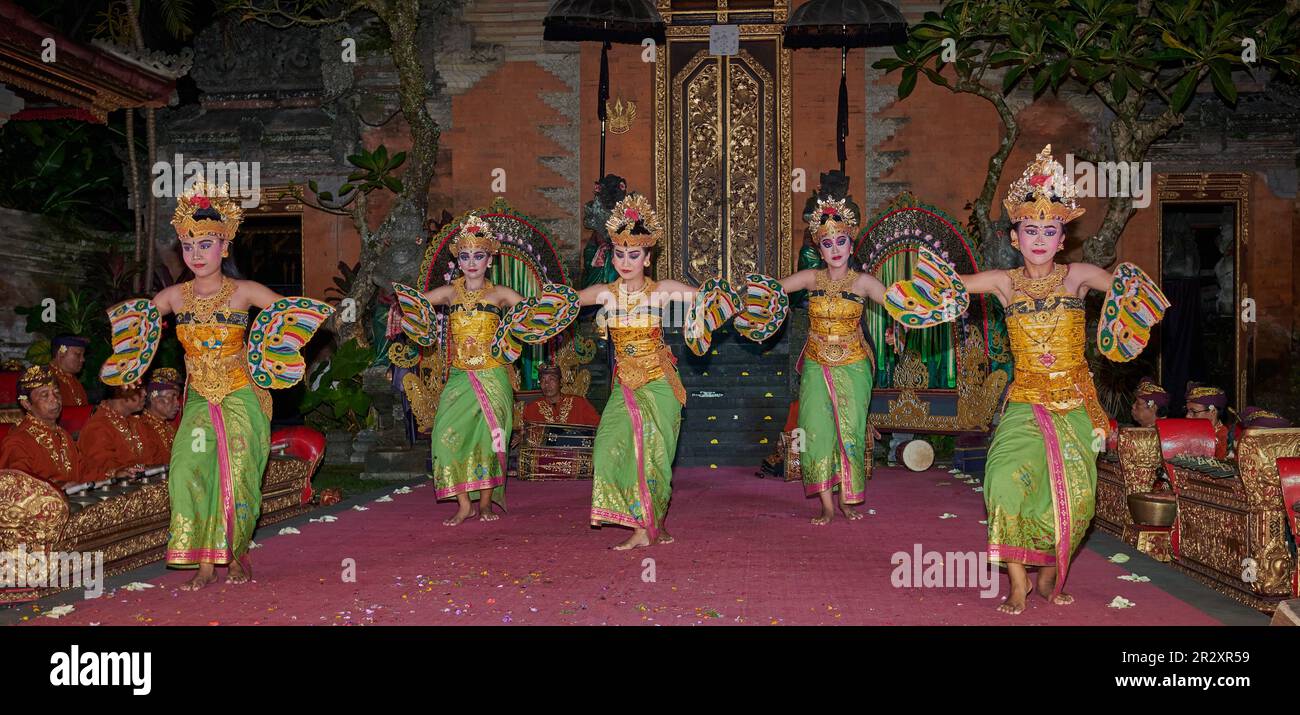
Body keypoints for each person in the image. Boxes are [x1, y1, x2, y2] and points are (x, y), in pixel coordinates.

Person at [957, 145, 1169, 614]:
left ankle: (1049, 576)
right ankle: (1017, 584)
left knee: (1075, 497)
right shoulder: (1003, 282)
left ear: (1061, 237)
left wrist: (1130, 308)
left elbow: (1134, 293)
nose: (1039, 238)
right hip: (1025, 400)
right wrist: (906, 296)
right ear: (1015, 236)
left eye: (1049, 230)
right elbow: (949, 288)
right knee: (1003, 481)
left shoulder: (1077, 277)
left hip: (1074, 401)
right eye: (1029, 230)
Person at [100, 180, 331, 591]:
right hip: (200, 397)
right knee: (188, 470)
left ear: (224, 247)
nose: (196, 254)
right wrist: (133, 367)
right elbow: (139, 335)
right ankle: (203, 560)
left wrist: (268, 354)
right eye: (189, 246)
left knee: (239, 475)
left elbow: (292, 319)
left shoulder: (244, 292)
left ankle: (234, 552)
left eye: (205, 244)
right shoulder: (172, 297)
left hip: (243, 394)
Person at [775, 196, 963, 524]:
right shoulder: (809, 279)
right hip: (817, 363)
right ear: (820, 250)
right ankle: (826, 504)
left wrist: (918, 312)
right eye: (828, 243)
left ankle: (848, 498)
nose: (835, 249)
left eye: (842, 241)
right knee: (816, 430)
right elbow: (773, 290)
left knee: (850, 431)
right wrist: (740, 298)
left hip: (854, 365)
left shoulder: (863, 282)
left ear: (851, 245)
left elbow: (897, 303)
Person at [395, 214, 528, 526]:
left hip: (494, 375)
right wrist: (406, 317)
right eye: (466, 256)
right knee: (444, 435)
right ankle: (463, 504)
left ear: (489, 260)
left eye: (479, 256)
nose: (472, 263)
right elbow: (413, 305)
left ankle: (484, 505)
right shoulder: (449, 293)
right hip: (460, 376)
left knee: (489, 440)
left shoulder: (501, 294)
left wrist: (527, 323)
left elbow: (532, 315)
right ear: (458, 259)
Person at [0, 365, 90, 484]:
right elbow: (19, 486)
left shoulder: (64, 436)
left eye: (56, 392)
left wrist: (112, 474)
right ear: (26, 403)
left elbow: (84, 473)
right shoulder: (17, 441)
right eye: (45, 395)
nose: (55, 399)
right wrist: (57, 488)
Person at [76, 385, 147, 482]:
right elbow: (105, 471)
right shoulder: (97, 427)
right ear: (120, 392)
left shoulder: (136, 421)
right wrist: (117, 473)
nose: (145, 393)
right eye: (139, 388)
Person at [522, 362, 599, 427]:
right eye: (542, 380)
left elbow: (599, 426)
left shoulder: (579, 403)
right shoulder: (532, 408)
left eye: (551, 379)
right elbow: (524, 432)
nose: (546, 384)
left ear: (561, 382)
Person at [134, 368, 182, 466]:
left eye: (177, 398)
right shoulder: (139, 426)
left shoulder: (172, 427)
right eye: (172, 396)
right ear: (153, 397)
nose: (177, 403)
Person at [1185, 383, 1231, 458]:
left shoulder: (1224, 440)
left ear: (1213, 412)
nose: (1187, 416)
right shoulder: (1190, 433)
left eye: (1194, 412)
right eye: (1187, 411)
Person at [49, 335, 90, 407]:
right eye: (78, 354)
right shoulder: (46, 379)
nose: (83, 359)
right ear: (61, 353)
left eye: (83, 355)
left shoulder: (73, 379)